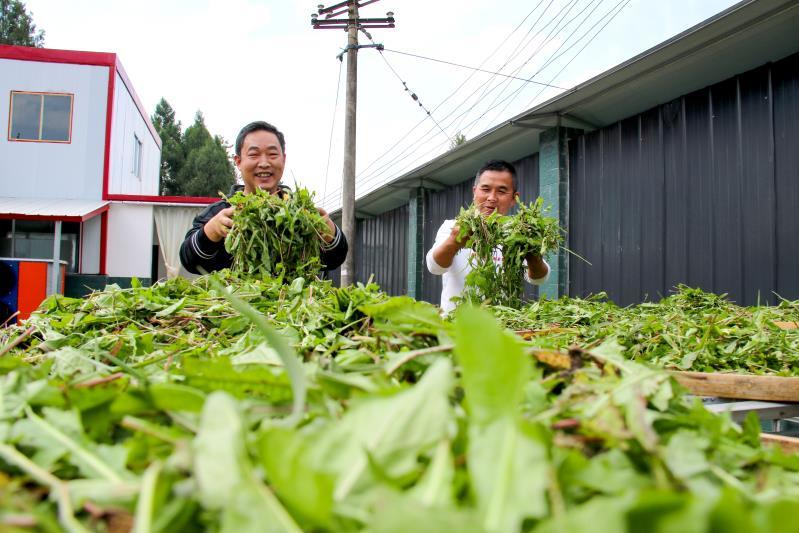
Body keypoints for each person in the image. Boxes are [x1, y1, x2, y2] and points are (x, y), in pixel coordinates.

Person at [179, 121, 347, 275]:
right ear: (238, 161)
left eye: (272, 154)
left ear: (284, 159)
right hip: (236, 298)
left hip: (292, 298)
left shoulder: (300, 213)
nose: (264, 163)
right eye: (254, 155)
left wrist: (329, 233)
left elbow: (335, 259)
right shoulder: (221, 213)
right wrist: (212, 231)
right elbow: (189, 260)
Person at [425, 159, 550, 313]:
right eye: (485, 189)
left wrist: (531, 253)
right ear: (474, 192)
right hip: (455, 323)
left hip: (503, 322)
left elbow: (539, 278)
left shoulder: (517, 233)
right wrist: (454, 241)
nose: (492, 197)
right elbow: (434, 267)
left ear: (514, 198)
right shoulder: (453, 227)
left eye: (501, 191)